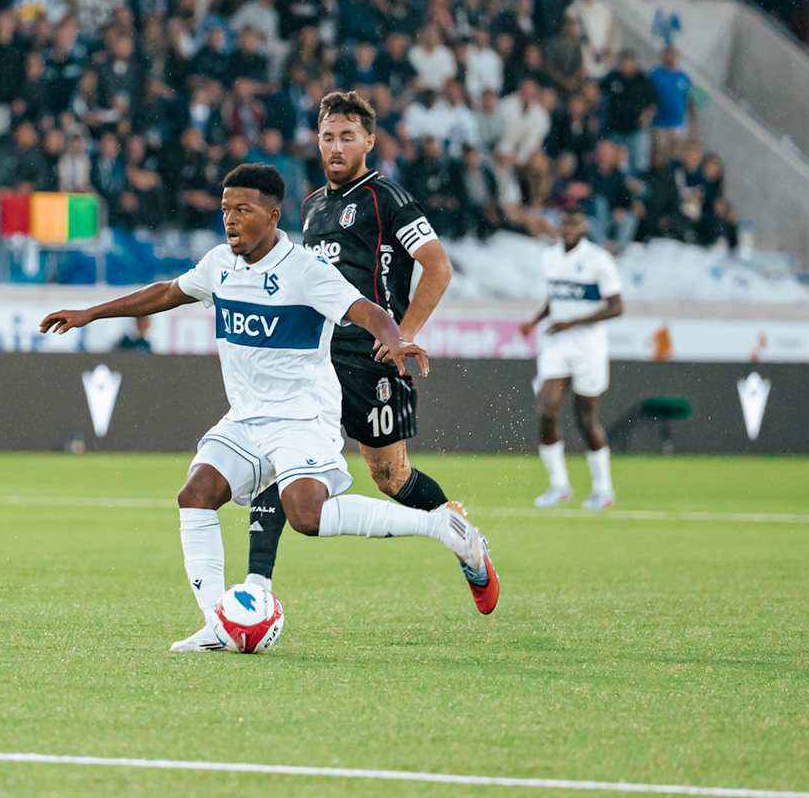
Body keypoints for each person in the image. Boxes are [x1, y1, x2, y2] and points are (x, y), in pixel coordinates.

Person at [39, 163, 496, 653]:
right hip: (247, 418)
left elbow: (369, 312)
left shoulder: (306, 271)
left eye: (243, 210)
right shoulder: (218, 264)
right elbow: (168, 293)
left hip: (303, 417)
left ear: (274, 215)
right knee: (195, 494)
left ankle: (441, 524)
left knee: (306, 515)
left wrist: (396, 339)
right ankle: (220, 624)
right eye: (225, 210)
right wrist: (91, 312)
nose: (230, 220)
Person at [245, 91, 493, 613]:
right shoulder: (311, 207)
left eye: (348, 137)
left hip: (371, 361)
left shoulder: (387, 198)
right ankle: (253, 592)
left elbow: (438, 266)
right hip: (314, 364)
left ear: (369, 142)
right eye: (328, 137)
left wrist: (400, 335)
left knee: (391, 477)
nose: (336, 147)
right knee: (281, 461)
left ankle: (462, 537)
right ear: (317, 141)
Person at [523, 205, 626, 510]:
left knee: (585, 418)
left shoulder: (598, 260)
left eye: (574, 225)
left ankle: (603, 489)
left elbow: (617, 307)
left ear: (584, 228)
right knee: (547, 409)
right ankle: (558, 485)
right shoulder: (550, 258)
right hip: (556, 344)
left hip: (588, 347)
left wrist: (573, 322)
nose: (568, 230)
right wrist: (535, 320)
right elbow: (557, 297)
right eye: (564, 224)